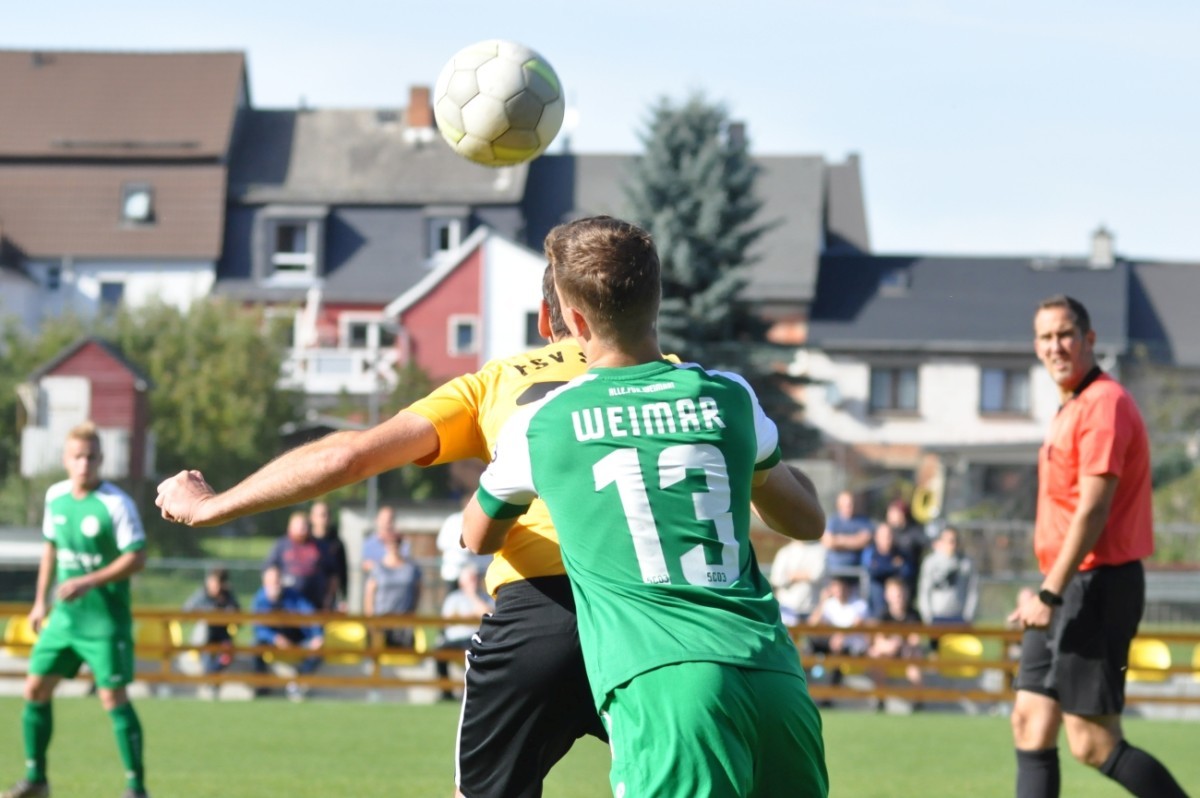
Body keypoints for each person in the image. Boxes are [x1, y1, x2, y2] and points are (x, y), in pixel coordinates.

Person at [157, 261, 826, 798]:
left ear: (553, 317)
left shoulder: (505, 386)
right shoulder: (694, 385)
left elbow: (351, 456)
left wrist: (213, 505)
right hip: (670, 615)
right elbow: (796, 510)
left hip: (542, 616)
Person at [461, 216, 828, 797]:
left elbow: (477, 537)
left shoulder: (544, 421)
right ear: (656, 305)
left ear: (573, 321)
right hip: (774, 680)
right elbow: (806, 521)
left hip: (667, 686)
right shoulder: (727, 396)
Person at [1007, 295, 1188, 798]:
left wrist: (1050, 593)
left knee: (1092, 742)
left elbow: (1092, 509)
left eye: (1065, 334)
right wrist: (1044, 589)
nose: (1055, 346)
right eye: (1045, 337)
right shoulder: (1071, 406)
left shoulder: (1104, 404)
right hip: (1063, 586)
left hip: (1096, 585)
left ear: (1089, 339)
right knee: (1030, 721)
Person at [1, 422, 150, 798]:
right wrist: (40, 601)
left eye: (92, 457)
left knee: (112, 698)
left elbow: (137, 557)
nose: (85, 464)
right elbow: (50, 547)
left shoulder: (116, 504)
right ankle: (36, 779)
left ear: (101, 460)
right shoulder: (56, 497)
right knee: (34, 688)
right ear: (67, 460)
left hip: (104, 621)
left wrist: (88, 581)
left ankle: (136, 787)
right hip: (64, 620)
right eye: (78, 457)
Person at [250, 566, 324, 702]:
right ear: (264, 583)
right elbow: (258, 628)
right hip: (272, 642)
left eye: (277, 581)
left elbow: (310, 614)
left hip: (297, 639)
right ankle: (262, 684)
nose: (275, 585)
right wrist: (274, 638)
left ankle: (296, 682)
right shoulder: (259, 600)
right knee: (255, 645)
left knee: (319, 649)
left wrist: (317, 635)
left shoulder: (292, 596)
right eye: (271, 582)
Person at [435, 563, 493, 700]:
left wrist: (472, 596)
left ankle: (471, 693)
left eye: (475, 578)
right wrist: (472, 615)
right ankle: (446, 692)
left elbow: (488, 614)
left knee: (477, 654)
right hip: (454, 639)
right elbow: (448, 620)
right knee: (438, 652)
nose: (474, 581)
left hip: (476, 639)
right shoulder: (453, 598)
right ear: (462, 582)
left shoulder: (484, 598)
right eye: (470, 579)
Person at [362, 523, 423, 649]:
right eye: (390, 542)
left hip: (403, 623)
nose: (393, 545)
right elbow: (369, 594)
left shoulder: (411, 568)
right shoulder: (378, 569)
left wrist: (413, 612)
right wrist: (371, 621)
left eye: (396, 542)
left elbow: (418, 590)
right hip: (381, 621)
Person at [865, 577, 924, 700]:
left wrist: (905, 645)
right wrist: (889, 645)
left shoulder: (913, 615)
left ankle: (917, 700)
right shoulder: (883, 615)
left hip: (908, 652)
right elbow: (878, 641)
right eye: (895, 595)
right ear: (887, 596)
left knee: (915, 657)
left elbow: (916, 638)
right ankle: (880, 698)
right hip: (888, 652)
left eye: (901, 594)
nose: (899, 598)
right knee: (875, 655)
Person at [265, 510, 336, 610]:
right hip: (286, 600)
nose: (301, 529)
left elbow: (332, 575)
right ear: (290, 527)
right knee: (261, 601)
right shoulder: (281, 545)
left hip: (314, 603)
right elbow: (270, 569)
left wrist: (329, 598)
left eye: (304, 526)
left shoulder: (320, 546)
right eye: (298, 526)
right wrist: (272, 587)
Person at [182, 566, 240, 678]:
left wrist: (225, 609)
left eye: (217, 583)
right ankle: (210, 676)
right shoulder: (201, 595)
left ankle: (212, 674)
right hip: (205, 634)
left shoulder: (227, 597)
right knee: (207, 653)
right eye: (212, 581)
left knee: (227, 654)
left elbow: (237, 616)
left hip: (222, 632)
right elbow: (186, 612)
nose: (213, 586)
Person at [916, 526, 978, 626]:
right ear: (940, 541)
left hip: (959, 618)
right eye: (949, 541)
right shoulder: (930, 562)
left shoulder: (966, 563)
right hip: (936, 618)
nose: (952, 544)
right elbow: (924, 591)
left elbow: (972, 591)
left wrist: (968, 616)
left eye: (955, 540)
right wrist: (927, 616)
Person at [862, 522, 916, 618]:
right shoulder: (870, 553)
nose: (887, 539)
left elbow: (908, 571)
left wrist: (882, 568)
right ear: (876, 537)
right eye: (884, 536)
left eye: (889, 536)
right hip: (877, 602)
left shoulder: (901, 553)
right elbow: (872, 572)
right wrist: (893, 566)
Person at [769, 538, 827, 625]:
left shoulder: (820, 550)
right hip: (787, 609)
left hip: (812, 610)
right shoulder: (784, 552)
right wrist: (804, 575)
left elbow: (818, 574)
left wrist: (792, 576)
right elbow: (777, 579)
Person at [821, 490, 873, 578]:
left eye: (851, 504)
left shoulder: (863, 521)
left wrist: (838, 540)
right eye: (846, 505)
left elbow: (865, 540)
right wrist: (854, 540)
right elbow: (828, 542)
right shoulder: (833, 521)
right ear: (839, 505)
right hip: (834, 572)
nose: (850, 507)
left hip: (856, 573)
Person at [308, 500, 347, 608]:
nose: (325, 518)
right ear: (312, 518)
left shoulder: (336, 544)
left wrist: (344, 598)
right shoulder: (306, 542)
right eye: (322, 515)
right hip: (306, 598)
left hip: (329, 599)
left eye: (328, 514)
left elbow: (343, 572)